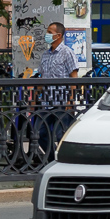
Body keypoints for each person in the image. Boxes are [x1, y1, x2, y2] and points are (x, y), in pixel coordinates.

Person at [35, 23, 78, 160]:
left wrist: (71, 100)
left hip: (62, 101)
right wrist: (34, 95)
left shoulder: (67, 53)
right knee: (39, 133)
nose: (46, 35)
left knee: (61, 135)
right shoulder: (46, 54)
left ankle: (65, 161)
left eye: (49, 32)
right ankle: (53, 159)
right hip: (46, 102)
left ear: (58, 35)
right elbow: (43, 77)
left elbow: (74, 79)